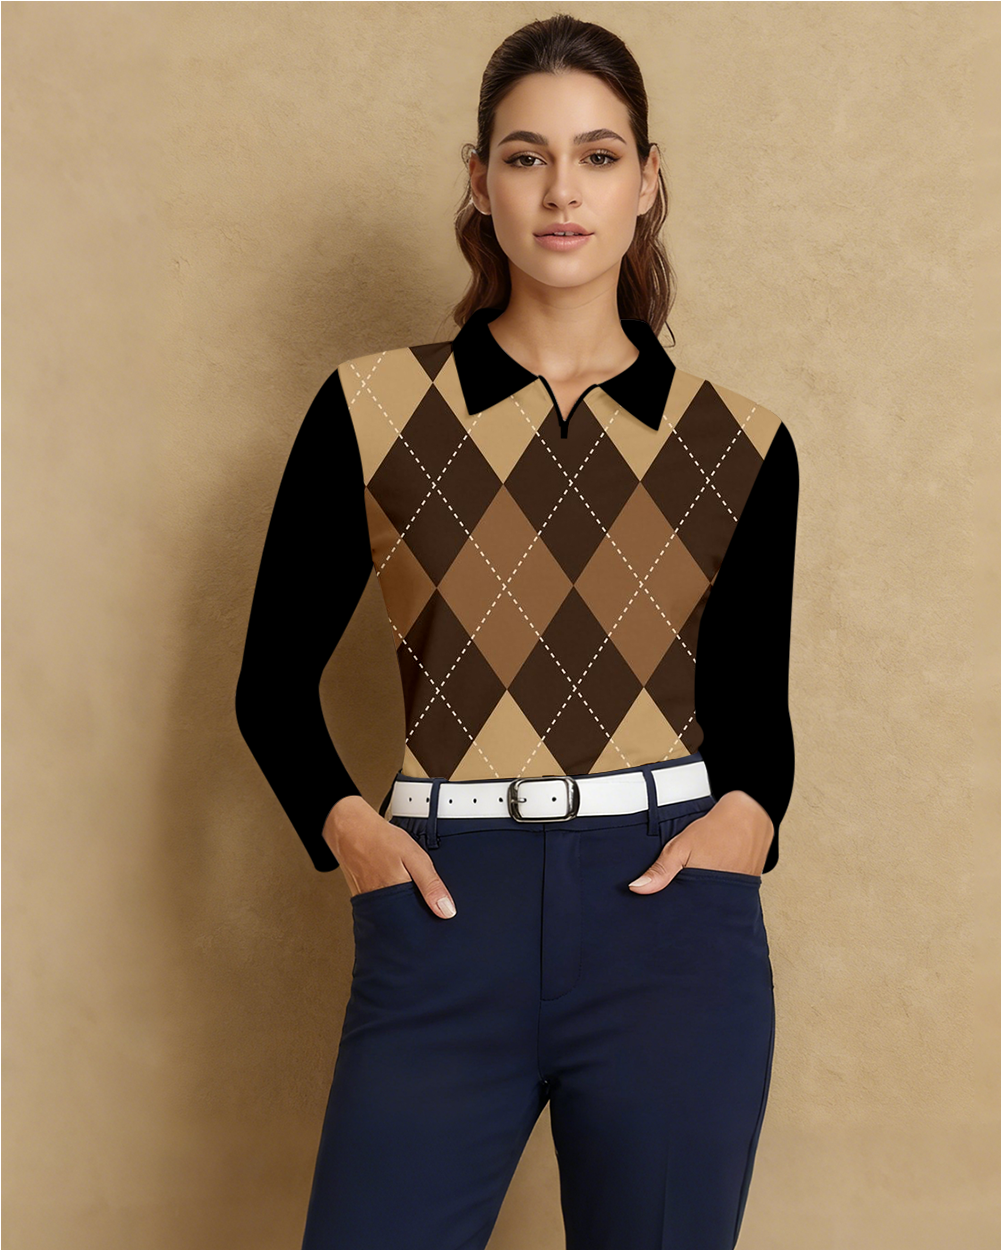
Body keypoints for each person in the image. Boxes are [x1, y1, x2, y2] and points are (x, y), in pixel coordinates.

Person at [235, 14, 799, 1250]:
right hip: (443, 910)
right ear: (479, 180)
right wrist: (352, 831)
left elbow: (754, 717)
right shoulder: (371, 409)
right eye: (525, 155)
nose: (560, 191)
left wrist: (744, 824)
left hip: (669, 921)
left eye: (597, 156)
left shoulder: (737, 442)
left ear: (646, 181)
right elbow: (269, 683)